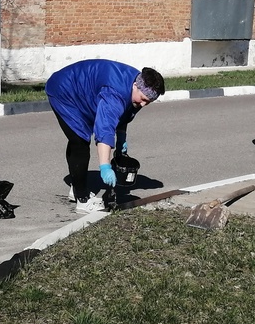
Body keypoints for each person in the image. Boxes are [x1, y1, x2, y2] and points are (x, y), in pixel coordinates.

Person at [45, 60, 166, 213]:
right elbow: (104, 131)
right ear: (135, 86)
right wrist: (105, 167)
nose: (143, 104)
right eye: (142, 99)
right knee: (79, 140)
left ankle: (77, 186)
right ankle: (82, 199)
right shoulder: (115, 95)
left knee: (79, 138)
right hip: (64, 90)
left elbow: (124, 114)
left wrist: (121, 137)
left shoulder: (138, 86)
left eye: (148, 102)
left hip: (85, 91)